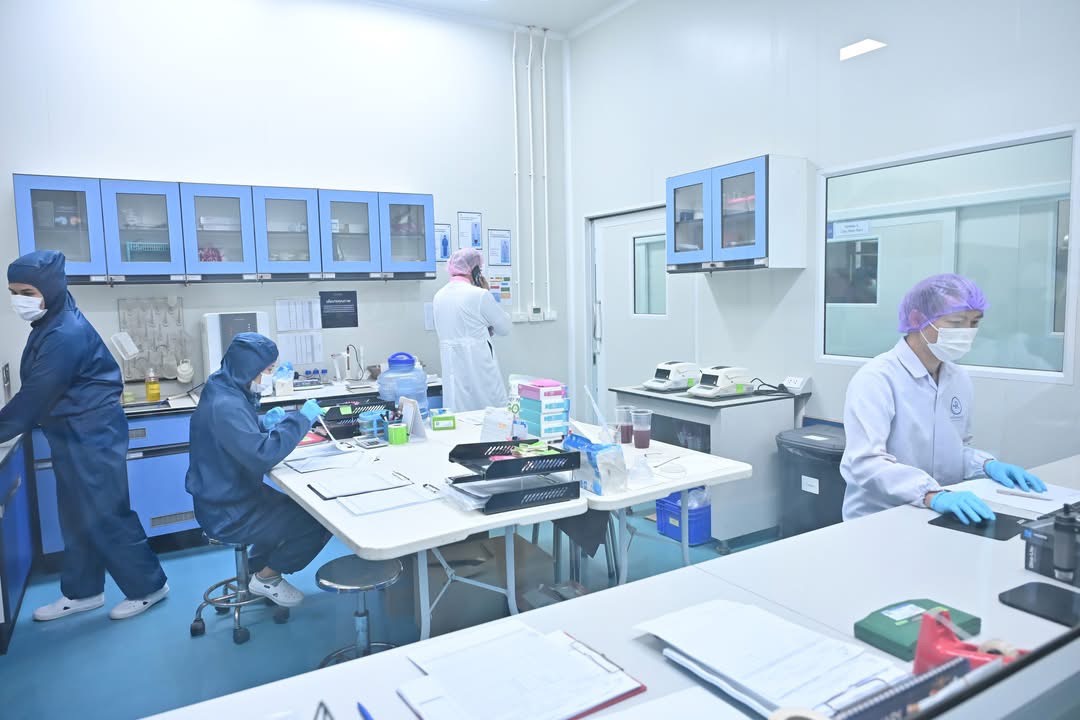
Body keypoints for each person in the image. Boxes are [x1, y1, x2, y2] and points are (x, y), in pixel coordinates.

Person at [0, 251, 168, 621]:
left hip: (92, 434)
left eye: (27, 292)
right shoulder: (51, 320)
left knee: (107, 514)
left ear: (50, 289)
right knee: (77, 517)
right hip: (70, 432)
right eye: (13, 292)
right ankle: (83, 592)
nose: (19, 300)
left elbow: (34, 396)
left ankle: (149, 587)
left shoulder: (65, 333)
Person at [841, 273, 1047, 524]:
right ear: (917, 319)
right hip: (878, 519)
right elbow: (865, 463)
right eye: (957, 322)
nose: (967, 332)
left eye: (974, 323)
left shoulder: (958, 378)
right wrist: (930, 494)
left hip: (936, 514)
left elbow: (956, 450)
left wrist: (986, 465)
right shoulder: (877, 379)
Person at [186, 333, 331, 607]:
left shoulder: (223, 387)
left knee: (298, 508)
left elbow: (236, 437)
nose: (270, 376)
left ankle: (255, 569)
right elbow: (263, 455)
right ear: (248, 368)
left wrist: (264, 425)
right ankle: (267, 578)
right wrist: (300, 420)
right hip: (229, 509)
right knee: (319, 520)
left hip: (227, 493)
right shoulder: (226, 405)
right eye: (268, 370)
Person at [432, 248, 512, 412]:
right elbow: (504, 328)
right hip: (479, 370)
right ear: (475, 271)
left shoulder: (439, 296)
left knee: (459, 417)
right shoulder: (479, 295)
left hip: (453, 373)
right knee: (490, 415)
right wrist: (486, 291)